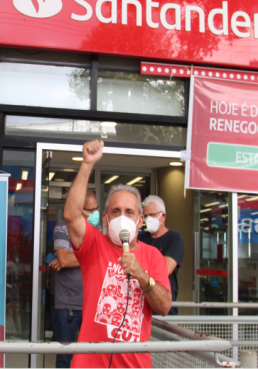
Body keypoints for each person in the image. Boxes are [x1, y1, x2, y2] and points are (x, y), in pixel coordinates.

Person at [64, 140, 172, 369]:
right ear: (105, 219)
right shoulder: (94, 244)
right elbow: (72, 215)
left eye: (129, 212)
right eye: (116, 211)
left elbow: (164, 306)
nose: (122, 217)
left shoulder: (154, 257)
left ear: (140, 221)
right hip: (89, 363)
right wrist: (87, 164)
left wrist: (142, 276)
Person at [48, 190, 98, 368]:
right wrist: (90, 255)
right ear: (79, 209)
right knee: (64, 358)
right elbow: (64, 259)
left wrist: (70, 258)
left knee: (91, 357)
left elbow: (102, 258)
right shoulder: (63, 227)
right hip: (67, 306)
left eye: (96, 209)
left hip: (93, 306)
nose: (95, 214)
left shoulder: (98, 230)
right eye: (91, 210)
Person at [140, 195, 185, 315]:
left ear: (163, 216)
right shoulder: (139, 238)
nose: (148, 219)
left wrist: (139, 271)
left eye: (152, 215)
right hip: (141, 309)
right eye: (146, 216)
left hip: (163, 309)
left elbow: (165, 269)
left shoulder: (174, 239)